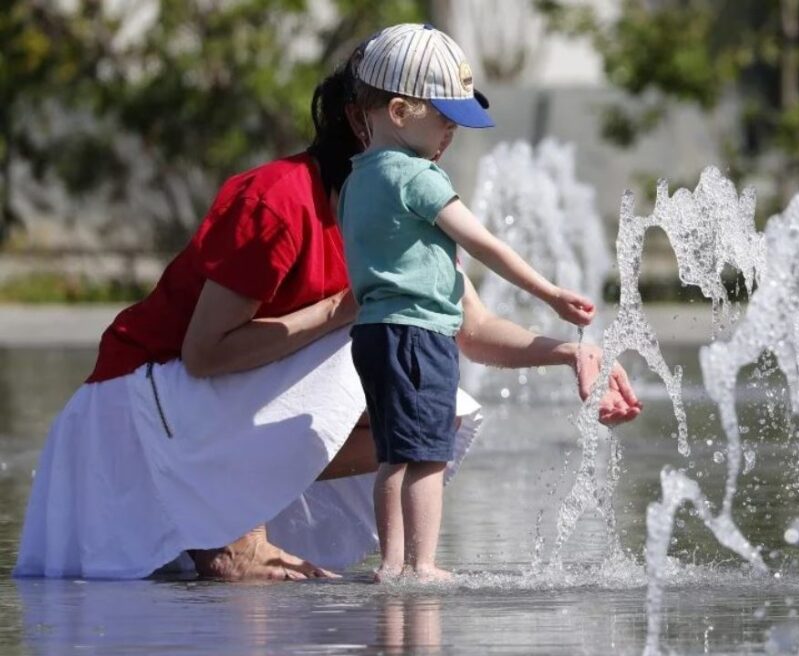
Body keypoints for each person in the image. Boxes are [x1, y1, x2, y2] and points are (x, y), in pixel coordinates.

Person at [13, 35, 641, 582]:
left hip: (204, 416)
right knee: (368, 340)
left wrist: (570, 353)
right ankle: (233, 524)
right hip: (131, 412)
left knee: (433, 411)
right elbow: (204, 355)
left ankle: (243, 517)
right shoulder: (279, 201)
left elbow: (470, 331)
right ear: (375, 117)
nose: (449, 137)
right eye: (440, 118)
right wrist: (339, 311)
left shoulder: (408, 208)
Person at [338, 24, 596, 582]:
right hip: (419, 334)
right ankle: (423, 564)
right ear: (401, 111)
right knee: (430, 452)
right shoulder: (418, 176)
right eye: (444, 117)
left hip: (375, 332)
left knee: (392, 454)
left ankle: (391, 563)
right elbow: (483, 242)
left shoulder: (357, 180)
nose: (451, 131)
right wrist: (549, 294)